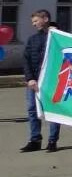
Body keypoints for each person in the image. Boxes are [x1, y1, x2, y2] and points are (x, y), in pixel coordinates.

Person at [20, 9, 62, 153]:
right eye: (33, 22)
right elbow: (26, 59)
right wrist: (30, 78)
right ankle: (35, 140)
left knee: (53, 111)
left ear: (45, 19)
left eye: (36, 21)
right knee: (32, 110)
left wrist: (56, 32)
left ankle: (52, 141)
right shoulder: (33, 39)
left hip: (52, 81)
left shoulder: (58, 36)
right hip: (35, 81)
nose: (33, 24)